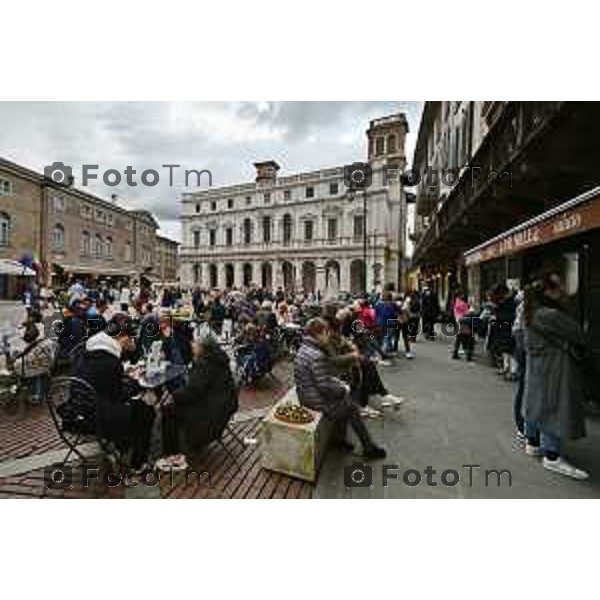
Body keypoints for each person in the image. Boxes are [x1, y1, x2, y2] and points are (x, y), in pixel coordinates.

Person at [522, 273, 589, 480]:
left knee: (536, 402)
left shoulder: (529, 310)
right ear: (548, 291)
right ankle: (552, 455)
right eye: (559, 288)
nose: (563, 291)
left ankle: (533, 443)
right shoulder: (549, 314)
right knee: (554, 406)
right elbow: (578, 333)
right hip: (555, 367)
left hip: (538, 365)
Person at [294, 318, 386, 459]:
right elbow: (324, 387)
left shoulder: (304, 348)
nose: (328, 336)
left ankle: (339, 440)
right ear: (318, 334)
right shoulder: (317, 355)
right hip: (314, 401)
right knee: (351, 407)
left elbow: (320, 378)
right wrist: (343, 389)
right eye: (326, 333)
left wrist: (337, 383)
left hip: (306, 395)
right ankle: (369, 448)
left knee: (345, 403)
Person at [73, 314, 155, 472]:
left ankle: (122, 446)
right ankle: (138, 463)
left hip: (78, 408)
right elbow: (118, 395)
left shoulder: (90, 350)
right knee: (146, 411)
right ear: (124, 339)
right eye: (132, 339)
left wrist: (126, 380)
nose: (133, 342)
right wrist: (135, 384)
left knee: (134, 406)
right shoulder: (110, 361)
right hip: (94, 415)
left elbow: (106, 385)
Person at [156, 329, 238, 471]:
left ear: (203, 348)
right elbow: (196, 389)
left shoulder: (205, 364)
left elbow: (192, 391)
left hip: (210, 414)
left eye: (195, 342)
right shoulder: (217, 359)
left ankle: (174, 456)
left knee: (168, 410)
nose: (191, 344)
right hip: (221, 407)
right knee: (173, 403)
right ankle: (179, 445)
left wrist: (173, 396)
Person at [9, 324, 55, 404]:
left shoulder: (33, 345)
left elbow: (22, 355)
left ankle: (36, 396)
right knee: (35, 371)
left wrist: (17, 357)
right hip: (47, 362)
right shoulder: (44, 340)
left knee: (26, 368)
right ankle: (40, 392)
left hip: (39, 365)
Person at [451, 295, 475, 361]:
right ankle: (468, 356)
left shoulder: (456, 304)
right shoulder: (464, 305)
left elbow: (456, 314)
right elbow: (468, 313)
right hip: (465, 324)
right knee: (468, 340)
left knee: (458, 339)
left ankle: (455, 353)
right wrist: (470, 311)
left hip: (458, 323)